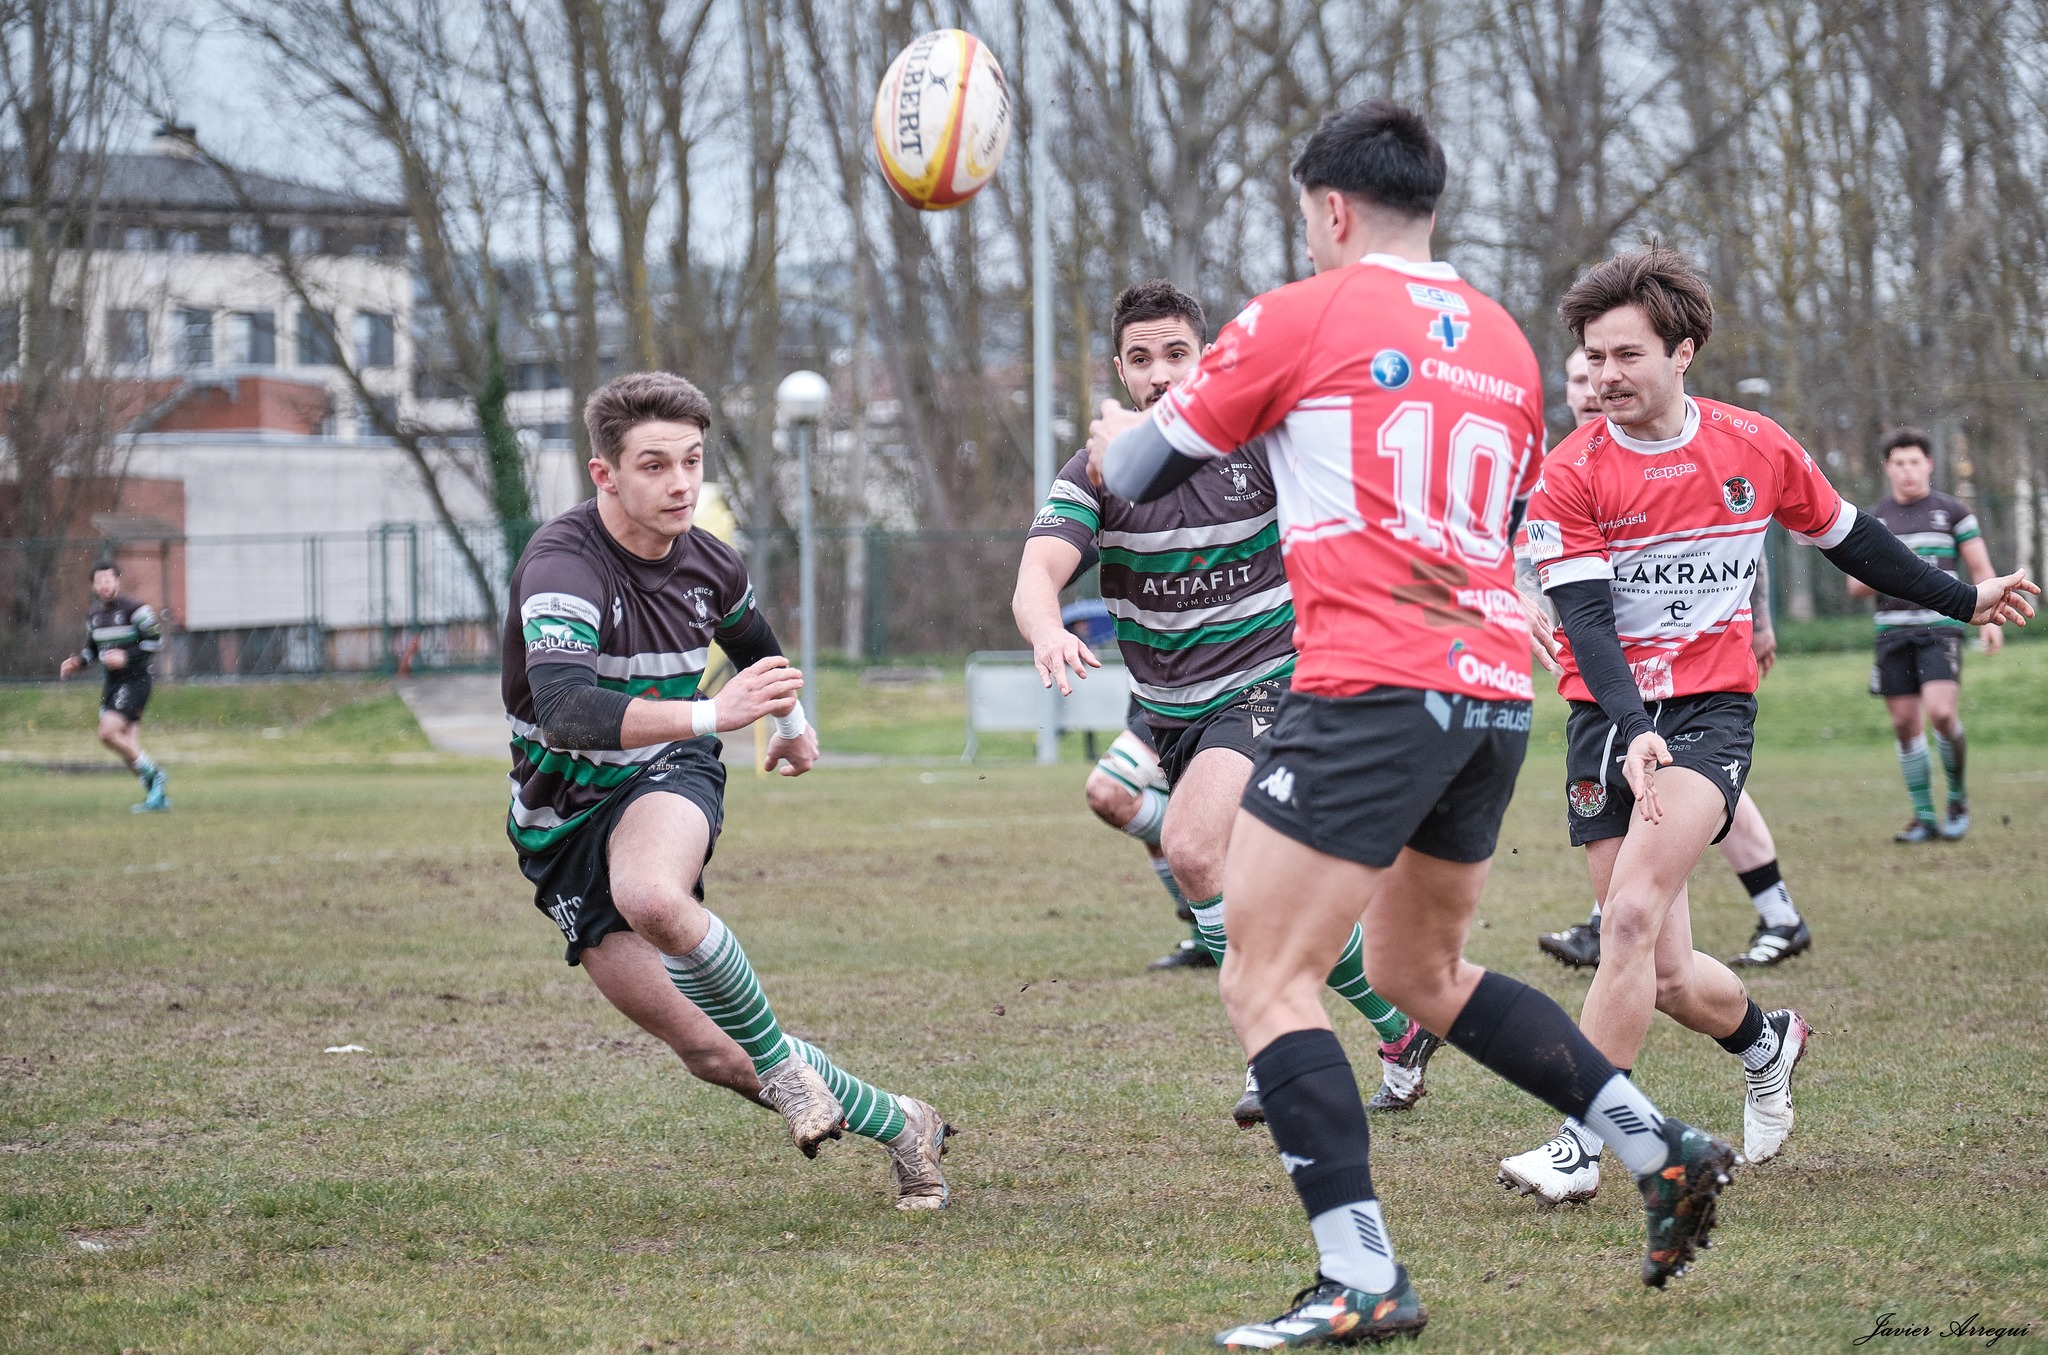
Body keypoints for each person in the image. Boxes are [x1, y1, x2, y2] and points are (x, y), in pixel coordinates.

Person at [1094, 104, 1738, 1347]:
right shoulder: (1498, 337)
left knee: (1263, 971)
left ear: (1328, 210)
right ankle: (1654, 1144)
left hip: (1369, 682)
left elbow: (1137, 472)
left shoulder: (1299, 311)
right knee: (1414, 972)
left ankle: (1360, 1274)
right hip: (1490, 682)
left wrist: (1115, 434)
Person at [1500, 248, 2035, 1210]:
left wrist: (1965, 597)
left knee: (1622, 916)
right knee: (1661, 971)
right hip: (1607, 718)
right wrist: (1627, 725)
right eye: (1591, 357)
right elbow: (1583, 619)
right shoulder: (1569, 471)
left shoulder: (1754, 445)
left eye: (1627, 355)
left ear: (1684, 350)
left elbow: (1852, 538)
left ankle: (1584, 1139)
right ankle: (1765, 1040)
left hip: (1710, 712)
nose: (1605, 376)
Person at [502, 371, 953, 1210]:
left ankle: (787, 1071)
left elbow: (757, 645)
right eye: (653, 465)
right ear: (604, 474)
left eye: (692, 462)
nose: (679, 484)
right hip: (559, 819)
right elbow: (563, 710)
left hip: (667, 772)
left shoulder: (709, 561)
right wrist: (717, 708)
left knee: (650, 892)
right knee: (713, 1053)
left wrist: (788, 722)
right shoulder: (561, 565)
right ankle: (903, 1121)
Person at [1017, 279, 1441, 1132]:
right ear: (1120, 372)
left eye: (1177, 353)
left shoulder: (1258, 449)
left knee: (1193, 846)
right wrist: (1044, 631)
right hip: (1170, 708)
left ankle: (1269, 1052)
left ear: (1206, 359)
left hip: (1270, 680)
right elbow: (1037, 573)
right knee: (1251, 896)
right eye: (1141, 359)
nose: (1161, 374)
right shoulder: (1094, 474)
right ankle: (1399, 1027)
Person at [1532, 348, 1812, 970]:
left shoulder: (1686, 450)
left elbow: (1736, 545)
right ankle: (1631, 922)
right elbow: (1550, 578)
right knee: (1659, 943)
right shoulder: (1569, 469)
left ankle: (1775, 913)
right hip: (1608, 688)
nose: (1591, 386)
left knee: (1699, 796)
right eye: (1579, 375)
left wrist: (1760, 621)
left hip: (1692, 684)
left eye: (1607, 368)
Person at [1851, 428, 2005, 843]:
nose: (1907, 471)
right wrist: (1896, 567)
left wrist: (1991, 619)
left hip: (1940, 630)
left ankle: (1956, 798)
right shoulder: (1873, 521)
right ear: (1888, 468)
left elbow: (1980, 570)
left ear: (1929, 465)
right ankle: (1923, 817)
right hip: (1892, 633)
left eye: (1915, 462)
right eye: (1899, 463)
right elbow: (1855, 587)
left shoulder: (1953, 512)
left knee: (1941, 713)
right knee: (1904, 723)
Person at [1061, 593, 1209, 970]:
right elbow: (1047, 557)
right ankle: (1205, 939)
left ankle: (1214, 860)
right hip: (1153, 684)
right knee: (1157, 806)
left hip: (1212, 678)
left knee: (1110, 791)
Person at [58, 560, 169, 812]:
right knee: (128, 745)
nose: (104, 585)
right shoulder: (95, 615)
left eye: (109, 579)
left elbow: (157, 641)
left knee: (107, 733)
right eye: (99, 581)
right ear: (93, 585)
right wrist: (78, 662)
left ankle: (155, 774)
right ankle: (157, 796)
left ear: (118, 580)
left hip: (136, 680)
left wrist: (126, 657)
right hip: (113, 683)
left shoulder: (136, 610)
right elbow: (93, 649)